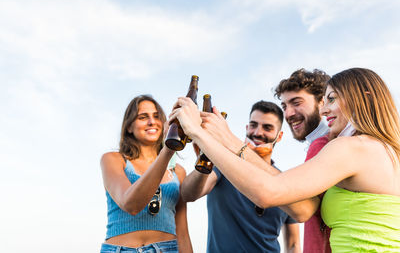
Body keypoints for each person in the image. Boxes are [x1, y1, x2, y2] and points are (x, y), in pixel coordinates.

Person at [170, 68, 400, 252]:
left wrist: (201, 133)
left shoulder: (351, 148)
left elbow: (269, 192)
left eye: (332, 99)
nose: (325, 109)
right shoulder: (386, 150)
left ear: (364, 98)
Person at [181, 101, 301, 253]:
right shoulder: (223, 166)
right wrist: (206, 158)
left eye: (268, 127)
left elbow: (293, 244)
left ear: (280, 136)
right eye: (253, 125)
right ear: (246, 128)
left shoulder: (285, 182)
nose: (258, 133)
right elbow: (188, 194)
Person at [100, 95, 193, 253]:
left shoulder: (178, 172)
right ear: (129, 127)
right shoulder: (114, 160)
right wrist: (168, 150)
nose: (152, 122)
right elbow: (131, 204)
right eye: (143, 117)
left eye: (157, 116)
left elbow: (182, 232)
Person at [274, 69, 332, 253]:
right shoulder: (320, 144)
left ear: (322, 102)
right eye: (284, 106)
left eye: (296, 103)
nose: (289, 114)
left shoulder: (325, 145)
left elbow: (301, 210)